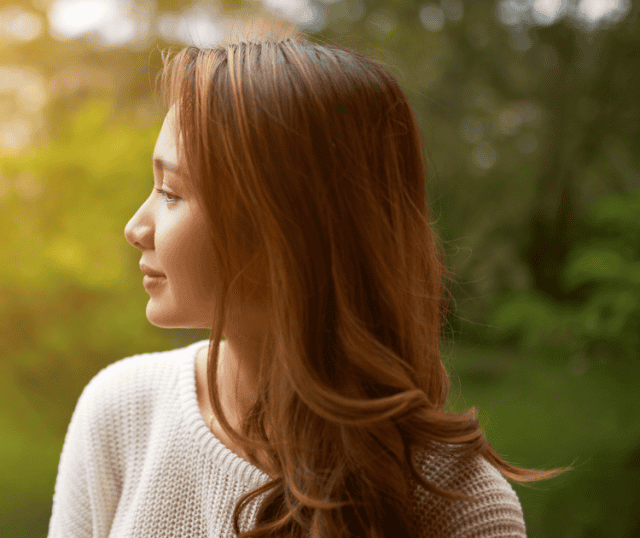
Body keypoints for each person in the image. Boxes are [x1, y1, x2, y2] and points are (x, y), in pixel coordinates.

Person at [47, 35, 574, 538]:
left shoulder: (460, 507)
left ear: (282, 226)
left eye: (171, 192)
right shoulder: (122, 410)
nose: (135, 228)